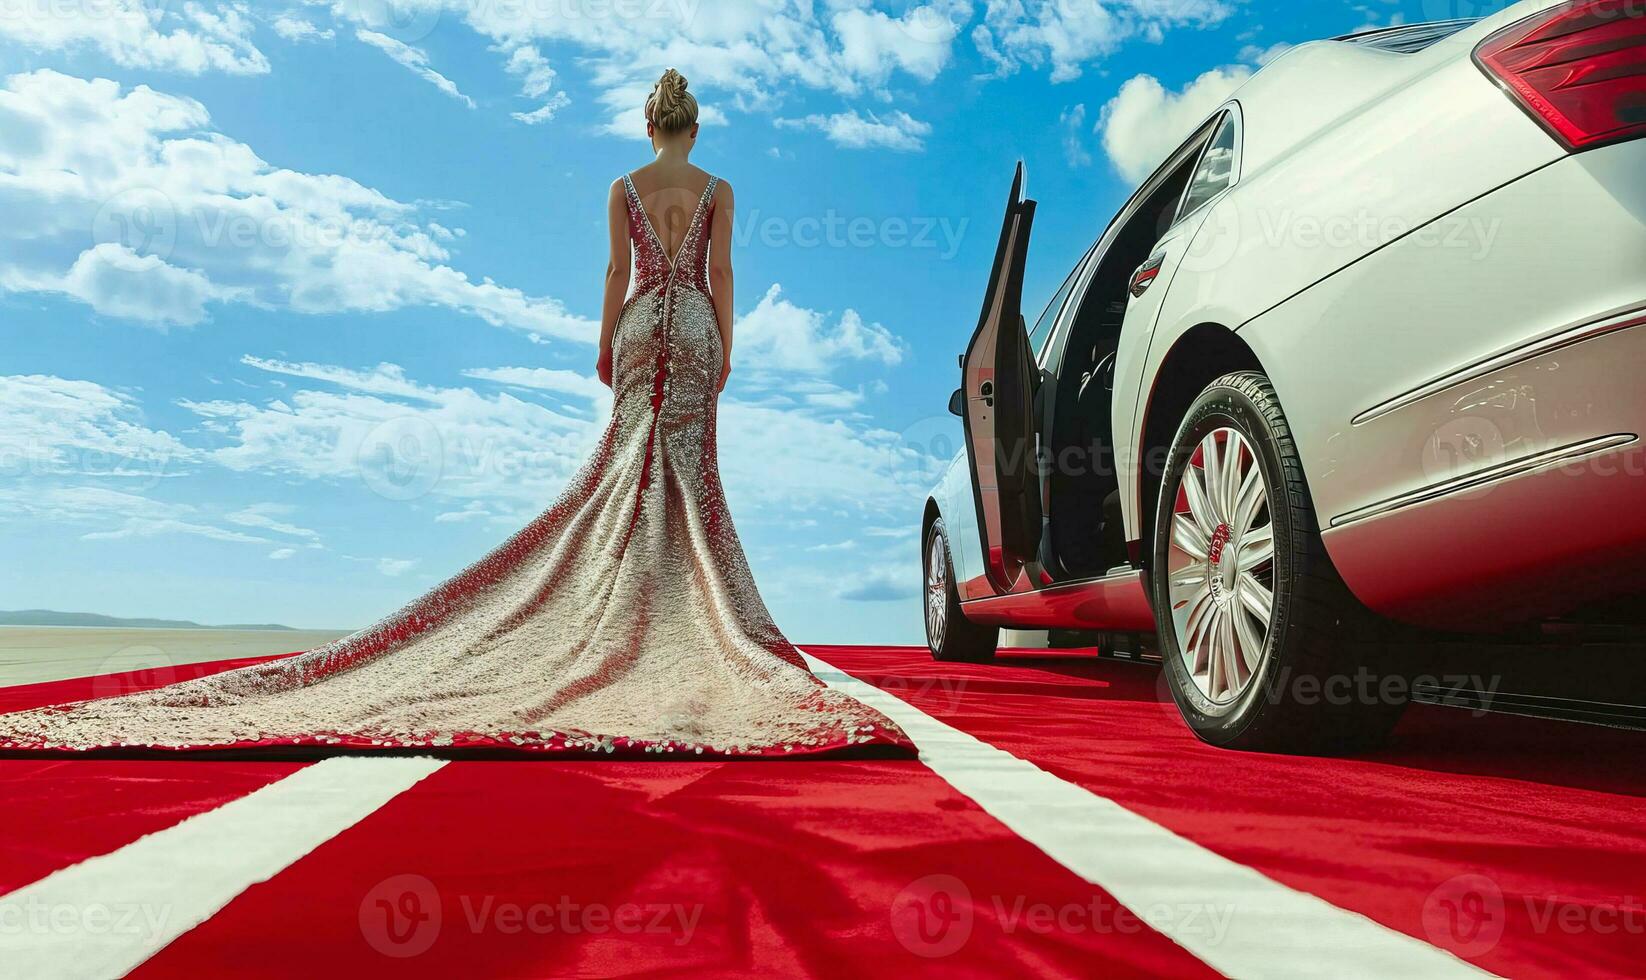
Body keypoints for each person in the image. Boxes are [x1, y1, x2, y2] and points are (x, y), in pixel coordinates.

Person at [0, 69, 910, 758]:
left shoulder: (623, 189)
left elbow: (614, 275)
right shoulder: (717, 191)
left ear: (647, 123)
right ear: (696, 125)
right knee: (687, 477)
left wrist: (603, 344)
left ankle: (624, 602)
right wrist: (726, 351)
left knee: (619, 475)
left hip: (640, 329)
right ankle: (678, 611)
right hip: (696, 332)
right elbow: (719, 277)